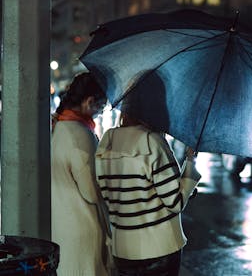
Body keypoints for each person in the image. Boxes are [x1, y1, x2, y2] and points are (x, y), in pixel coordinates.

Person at [95, 84, 201, 276]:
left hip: (123, 248)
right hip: (158, 248)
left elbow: (108, 194)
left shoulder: (107, 142)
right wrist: (190, 162)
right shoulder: (152, 142)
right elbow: (174, 202)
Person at [51, 72, 110, 275]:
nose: (100, 114)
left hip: (62, 227)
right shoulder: (80, 135)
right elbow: (92, 192)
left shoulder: (58, 126)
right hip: (84, 228)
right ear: (89, 101)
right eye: (100, 109)